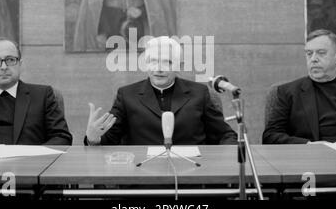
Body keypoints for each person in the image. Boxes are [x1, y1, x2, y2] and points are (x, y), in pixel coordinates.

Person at [84, 36, 237, 145]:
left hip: (191, 177)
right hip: (142, 177)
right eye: (153, 61)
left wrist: (222, 159)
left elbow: (225, 134)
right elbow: (110, 139)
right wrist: (93, 138)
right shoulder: (126, 95)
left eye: (167, 62)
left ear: (179, 66)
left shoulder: (199, 93)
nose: (159, 68)